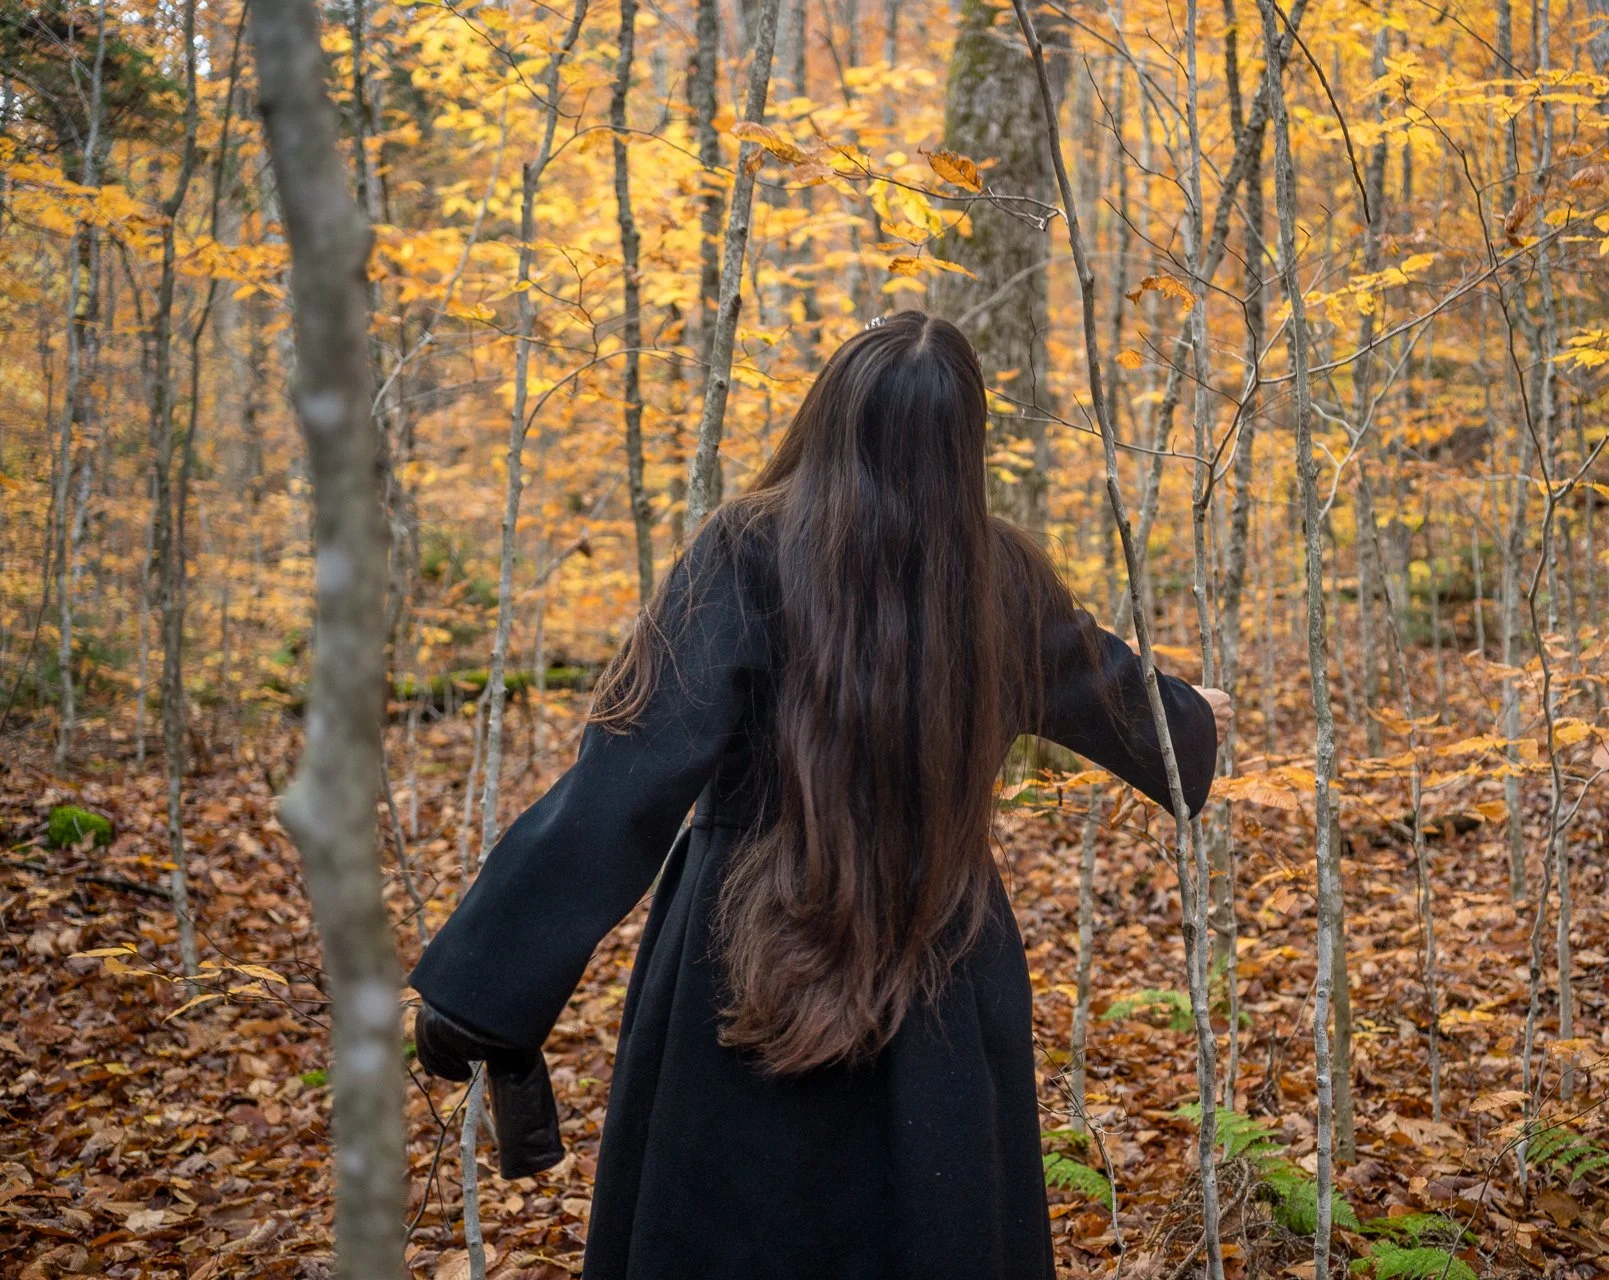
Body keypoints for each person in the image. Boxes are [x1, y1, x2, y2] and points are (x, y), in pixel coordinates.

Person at [409, 311, 1232, 1279]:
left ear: (828, 412)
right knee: (928, 1221)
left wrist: (486, 992)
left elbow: (628, 775)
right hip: (940, 950)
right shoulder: (1000, 572)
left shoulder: (745, 547)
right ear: (964, 438)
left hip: (739, 946)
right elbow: (1123, 706)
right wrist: (1189, 712)